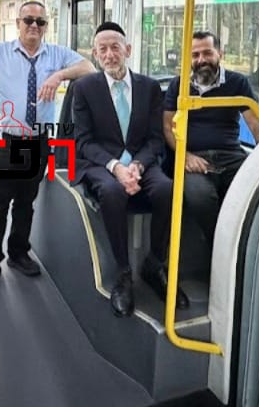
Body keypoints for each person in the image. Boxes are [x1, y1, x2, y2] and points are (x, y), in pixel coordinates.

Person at [0, 0, 95, 290]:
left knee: (26, 202)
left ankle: (19, 253)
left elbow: (88, 67)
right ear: (18, 24)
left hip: (37, 141)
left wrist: (59, 75)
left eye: (40, 22)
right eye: (28, 20)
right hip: (5, 139)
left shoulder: (56, 54)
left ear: (46, 26)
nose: (34, 26)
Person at [72, 22, 184, 317]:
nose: (110, 55)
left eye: (115, 47)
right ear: (96, 54)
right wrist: (116, 168)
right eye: (103, 49)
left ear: (128, 50)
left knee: (167, 189)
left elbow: (155, 139)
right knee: (112, 191)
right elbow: (84, 142)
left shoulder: (149, 88)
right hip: (101, 162)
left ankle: (155, 263)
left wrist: (136, 165)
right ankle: (123, 273)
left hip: (139, 160)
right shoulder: (84, 88)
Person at [162, 31, 259, 255]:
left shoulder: (237, 82)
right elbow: (168, 126)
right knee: (200, 197)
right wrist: (185, 155)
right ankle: (220, 251)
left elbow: (256, 124)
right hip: (194, 158)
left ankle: (247, 251)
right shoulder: (178, 85)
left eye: (207, 53)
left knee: (254, 191)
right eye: (195, 55)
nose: (202, 60)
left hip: (230, 155)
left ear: (220, 53)